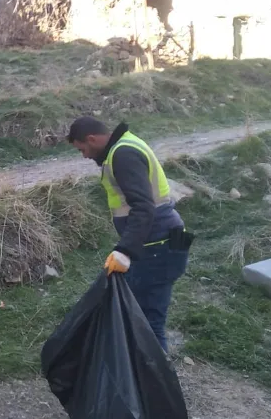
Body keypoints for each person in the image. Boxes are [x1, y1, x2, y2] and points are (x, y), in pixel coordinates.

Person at [67, 116, 193, 353]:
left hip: (157, 247)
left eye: (82, 149)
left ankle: (156, 383)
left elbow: (143, 206)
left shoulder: (123, 155)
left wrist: (125, 250)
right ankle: (145, 376)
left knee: (148, 322)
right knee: (141, 317)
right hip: (156, 244)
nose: (83, 155)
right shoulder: (124, 146)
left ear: (92, 139)